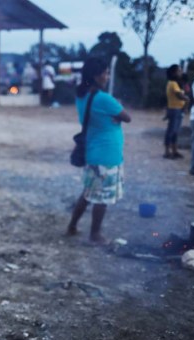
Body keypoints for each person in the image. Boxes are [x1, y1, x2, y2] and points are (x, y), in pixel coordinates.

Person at [67, 58, 131, 244]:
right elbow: (127, 117)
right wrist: (116, 114)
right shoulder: (104, 98)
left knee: (89, 192)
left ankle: (72, 226)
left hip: (93, 150)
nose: (107, 76)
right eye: (105, 72)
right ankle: (95, 234)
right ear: (96, 76)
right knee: (102, 197)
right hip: (107, 154)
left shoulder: (82, 95)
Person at [163, 64, 189, 159]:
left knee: (175, 131)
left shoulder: (176, 83)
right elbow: (179, 95)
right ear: (174, 73)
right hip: (174, 109)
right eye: (179, 71)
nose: (181, 73)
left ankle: (174, 150)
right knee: (171, 131)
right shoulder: (173, 83)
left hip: (177, 109)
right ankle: (167, 151)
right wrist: (187, 99)